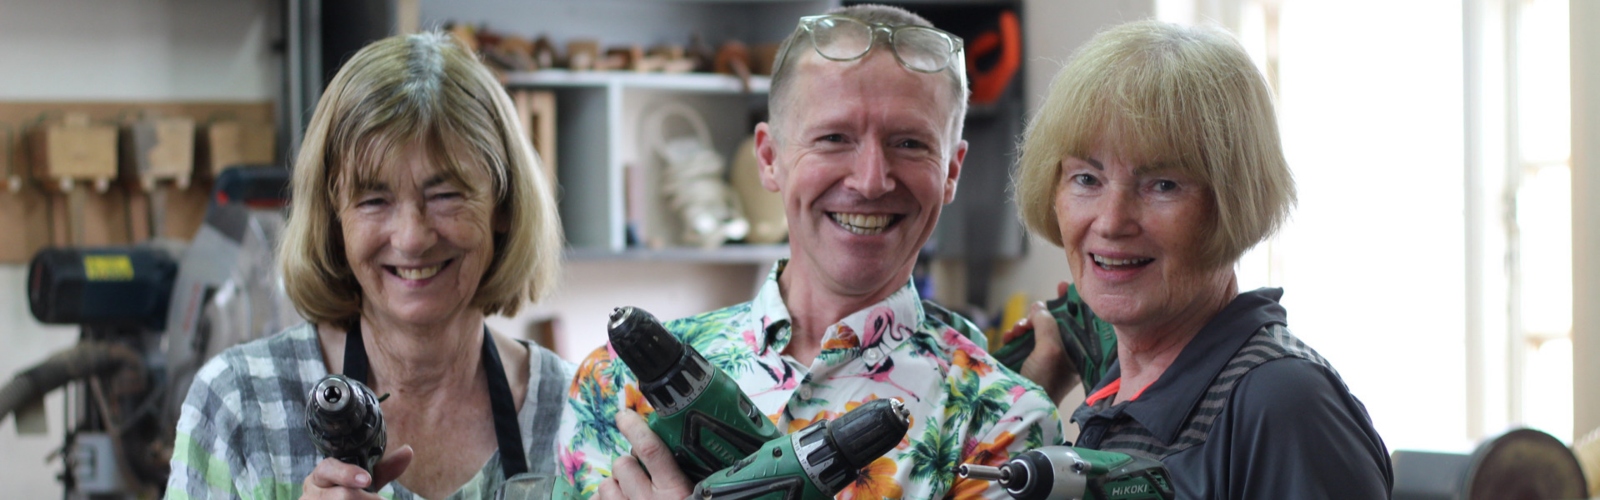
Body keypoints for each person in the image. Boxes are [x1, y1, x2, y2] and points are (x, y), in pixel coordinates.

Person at [553, 5, 1062, 499]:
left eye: (909, 143)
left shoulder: (1001, 421)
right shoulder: (619, 381)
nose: (870, 181)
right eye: (834, 137)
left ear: (951, 170)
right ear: (770, 157)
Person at [166, 32, 572, 499]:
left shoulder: (579, 412)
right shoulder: (239, 405)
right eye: (374, 200)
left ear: (502, 205)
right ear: (333, 217)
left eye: (445, 195)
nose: (412, 237)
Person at [1009, 20, 1393, 497]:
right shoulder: (1117, 394)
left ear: (1234, 200)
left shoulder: (1283, 404)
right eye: (1087, 178)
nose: (1111, 222)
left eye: (1163, 185)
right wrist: (1029, 391)